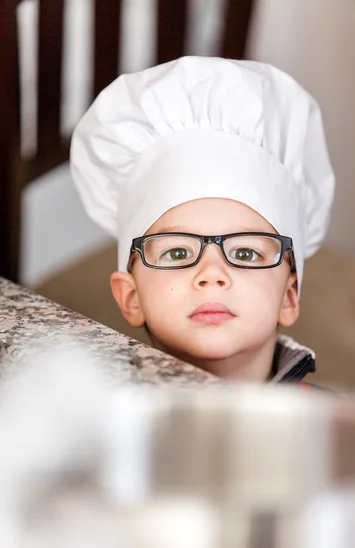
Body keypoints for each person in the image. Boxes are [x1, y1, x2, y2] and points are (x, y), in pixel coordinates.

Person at [70, 56, 335, 384]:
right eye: (178, 253)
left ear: (289, 296)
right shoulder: (100, 420)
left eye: (245, 253)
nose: (211, 274)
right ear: (131, 296)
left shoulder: (329, 429)